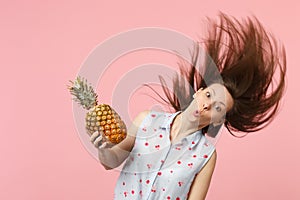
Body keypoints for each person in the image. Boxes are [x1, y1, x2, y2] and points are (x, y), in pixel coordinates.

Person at [90, 12, 286, 200]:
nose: (207, 105)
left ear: (219, 120)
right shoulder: (147, 120)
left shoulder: (206, 156)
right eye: (208, 95)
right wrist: (103, 148)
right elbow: (110, 162)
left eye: (218, 108)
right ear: (198, 91)